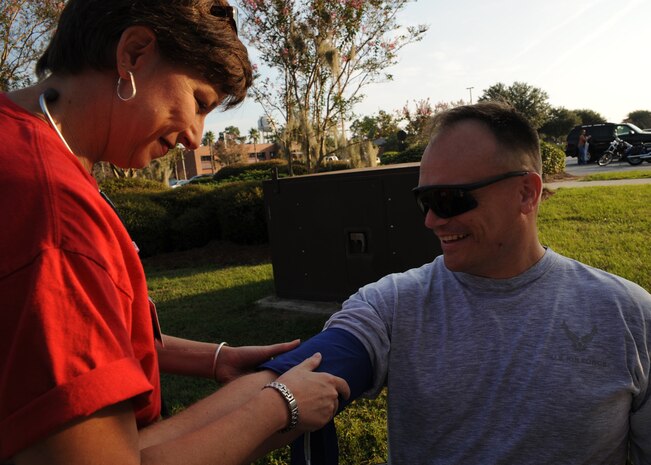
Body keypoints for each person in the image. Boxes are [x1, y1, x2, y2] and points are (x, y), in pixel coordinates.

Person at [0, 1, 349, 463]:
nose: (196, 137)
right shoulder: (54, 215)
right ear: (134, 53)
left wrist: (214, 359)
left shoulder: (22, 144)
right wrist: (279, 407)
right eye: (199, 102)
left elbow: (70, 342)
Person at [245, 102, 651, 464]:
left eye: (451, 199)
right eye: (425, 200)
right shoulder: (392, 304)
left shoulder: (629, 315)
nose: (431, 220)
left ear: (526, 194)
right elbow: (284, 387)